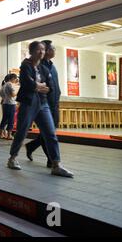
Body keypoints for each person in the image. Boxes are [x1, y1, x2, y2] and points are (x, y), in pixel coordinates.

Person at [7, 41, 73, 178]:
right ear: (31, 51)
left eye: (43, 50)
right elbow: (29, 83)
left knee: (50, 133)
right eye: (38, 50)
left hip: (43, 103)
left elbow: (51, 87)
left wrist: (39, 86)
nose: (41, 52)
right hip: (28, 103)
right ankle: (12, 158)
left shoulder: (44, 68)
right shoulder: (25, 65)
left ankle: (56, 164)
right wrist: (38, 86)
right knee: (22, 131)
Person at [25, 40, 61, 168]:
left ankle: (31, 146)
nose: (53, 51)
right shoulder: (39, 67)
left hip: (55, 103)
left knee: (51, 131)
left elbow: (54, 85)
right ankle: (51, 160)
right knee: (49, 133)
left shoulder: (52, 65)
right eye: (52, 48)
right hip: (44, 103)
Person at [0, 73, 19, 140]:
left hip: (5, 103)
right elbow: (13, 94)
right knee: (11, 120)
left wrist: (4, 98)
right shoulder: (10, 84)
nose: (15, 80)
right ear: (13, 78)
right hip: (11, 104)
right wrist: (18, 92)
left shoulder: (5, 84)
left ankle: (1, 134)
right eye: (15, 79)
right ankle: (9, 135)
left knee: (4, 119)